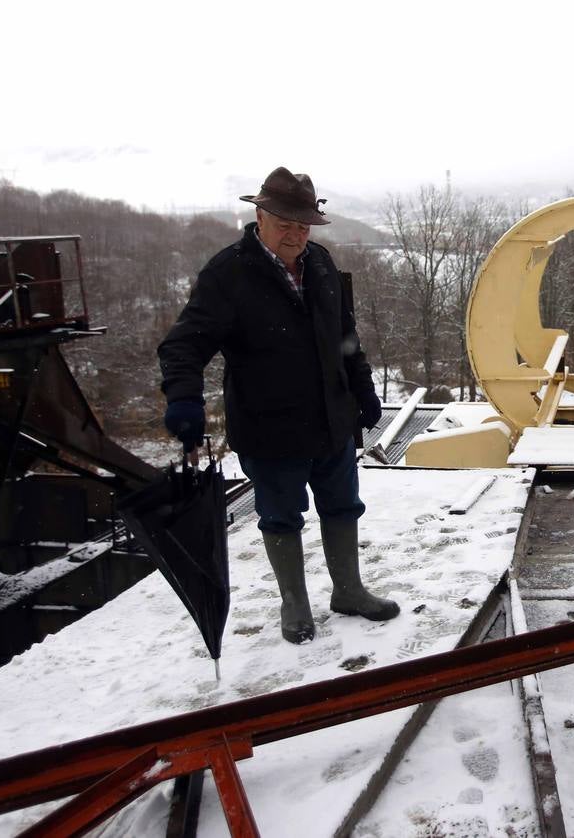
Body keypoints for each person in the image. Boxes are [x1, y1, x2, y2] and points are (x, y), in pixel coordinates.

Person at [158, 166, 396, 643]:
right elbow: (183, 345)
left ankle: (348, 590)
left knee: (343, 505)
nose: (295, 234)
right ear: (259, 216)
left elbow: (345, 339)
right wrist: (184, 399)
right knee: (281, 516)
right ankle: (295, 604)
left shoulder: (323, 264)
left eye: (303, 224)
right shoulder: (229, 274)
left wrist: (364, 392)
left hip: (331, 419)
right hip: (269, 426)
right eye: (285, 223)